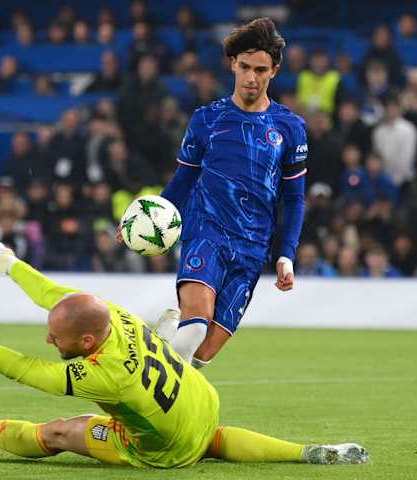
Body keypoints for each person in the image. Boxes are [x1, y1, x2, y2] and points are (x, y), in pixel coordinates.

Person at [0, 223, 369, 468]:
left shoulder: (97, 372)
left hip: (162, 449)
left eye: (58, 338)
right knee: (210, 438)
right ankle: (305, 452)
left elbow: (24, 369)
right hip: (201, 406)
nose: (48, 339)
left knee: (57, 431)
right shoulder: (112, 314)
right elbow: (55, 296)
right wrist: (7, 262)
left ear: (87, 342)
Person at [119, 17, 308, 369]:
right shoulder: (207, 120)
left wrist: (286, 253)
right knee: (195, 329)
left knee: (199, 358)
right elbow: (183, 181)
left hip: (253, 249)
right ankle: (139, 393)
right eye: (245, 67)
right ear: (232, 64)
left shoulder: (290, 128)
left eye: (261, 69)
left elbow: (294, 198)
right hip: (206, 233)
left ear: (275, 70)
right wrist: (144, 217)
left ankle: (158, 341)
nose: (252, 77)